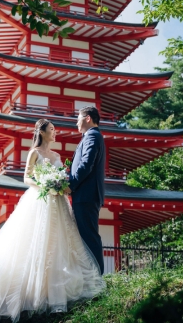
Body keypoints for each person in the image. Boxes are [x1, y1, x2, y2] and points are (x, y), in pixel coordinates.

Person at [0, 119, 105, 322]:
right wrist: (45, 184)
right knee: (36, 242)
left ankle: (58, 292)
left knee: (61, 243)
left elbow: (64, 175)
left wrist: (59, 184)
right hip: (41, 199)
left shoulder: (57, 156)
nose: (55, 133)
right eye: (51, 130)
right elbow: (27, 178)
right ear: (42, 132)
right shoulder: (34, 153)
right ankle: (34, 293)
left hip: (58, 202)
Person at [68, 106, 105, 274]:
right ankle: (90, 277)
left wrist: (71, 184)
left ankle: (96, 278)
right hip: (84, 195)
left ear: (88, 118)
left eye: (78, 118)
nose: (76, 122)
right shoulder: (90, 136)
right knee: (85, 237)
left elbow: (86, 164)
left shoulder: (92, 136)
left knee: (89, 237)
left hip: (86, 195)